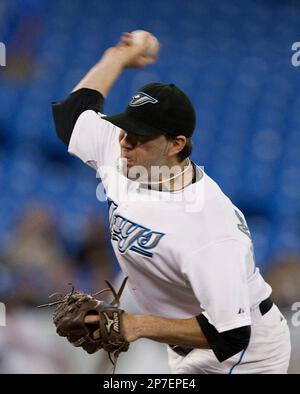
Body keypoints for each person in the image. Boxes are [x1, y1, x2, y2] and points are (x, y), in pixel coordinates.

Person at [51, 32, 291, 374]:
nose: (124, 142)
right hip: (183, 340)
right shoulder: (127, 155)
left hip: (246, 356)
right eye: (123, 128)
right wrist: (118, 57)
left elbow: (232, 335)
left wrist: (136, 325)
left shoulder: (209, 228)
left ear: (176, 144)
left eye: (139, 136)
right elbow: (72, 117)